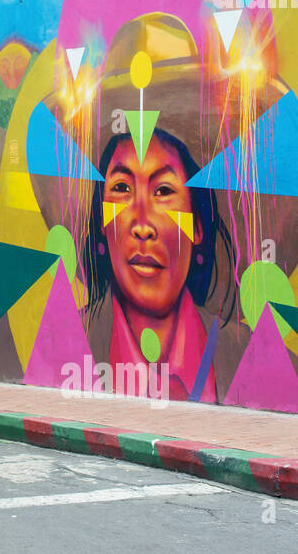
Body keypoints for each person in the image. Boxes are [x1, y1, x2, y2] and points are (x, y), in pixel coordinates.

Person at [80, 128, 236, 402]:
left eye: (163, 191)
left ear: (196, 227)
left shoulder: (245, 352)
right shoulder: (65, 339)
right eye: (121, 188)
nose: (142, 226)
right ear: (102, 221)